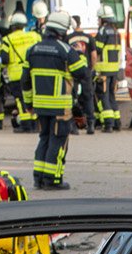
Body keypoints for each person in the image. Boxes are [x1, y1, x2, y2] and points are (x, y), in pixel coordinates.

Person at [25, 10, 87, 189]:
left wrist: (29, 103)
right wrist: (80, 54)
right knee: (58, 142)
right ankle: (53, 180)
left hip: (40, 107)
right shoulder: (66, 51)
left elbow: (25, 81)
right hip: (60, 108)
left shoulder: (33, 50)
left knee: (44, 139)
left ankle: (39, 178)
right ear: (62, 31)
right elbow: (81, 72)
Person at [2, 10, 40, 132]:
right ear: (24, 25)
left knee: (21, 100)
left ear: (12, 26)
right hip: (33, 72)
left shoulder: (7, 39)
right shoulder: (34, 36)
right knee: (33, 98)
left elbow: (4, 59)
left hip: (16, 75)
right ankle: (35, 124)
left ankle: (26, 125)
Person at [91, 4, 125, 131]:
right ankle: (117, 122)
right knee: (111, 96)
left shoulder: (102, 31)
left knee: (103, 96)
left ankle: (108, 124)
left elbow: (97, 49)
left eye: (99, 18)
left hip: (103, 70)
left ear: (103, 19)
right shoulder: (116, 32)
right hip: (114, 70)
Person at [67, 15, 95, 135]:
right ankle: (91, 125)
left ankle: (74, 126)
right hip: (86, 72)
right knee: (88, 97)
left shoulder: (68, 38)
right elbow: (93, 56)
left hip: (73, 72)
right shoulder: (89, 38)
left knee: (73, 98)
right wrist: (91, 69)